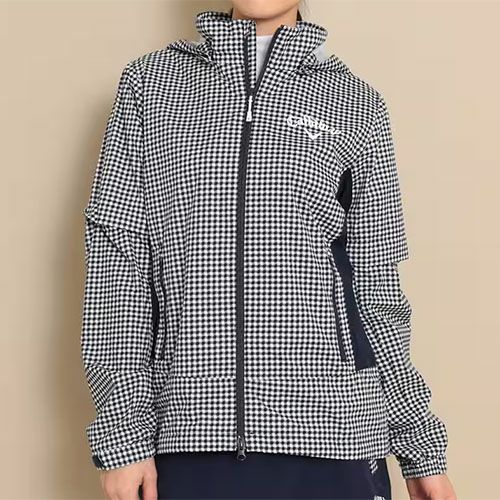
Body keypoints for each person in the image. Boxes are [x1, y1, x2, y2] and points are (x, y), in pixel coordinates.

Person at [80, 1, 457, 499]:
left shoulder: (357, 104)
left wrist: (419, 446)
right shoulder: (150, 86)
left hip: (336, 440)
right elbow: (118, 265)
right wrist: (123, 434)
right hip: (192, 437)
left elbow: (375, 293)